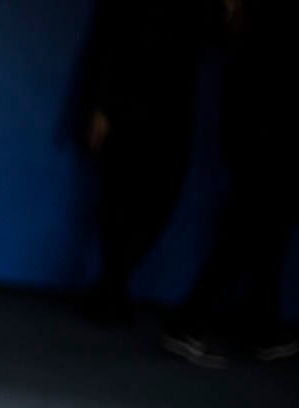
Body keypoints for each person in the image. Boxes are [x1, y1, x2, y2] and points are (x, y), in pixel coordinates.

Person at [160, 0, 298, 367]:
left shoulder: (257, 23)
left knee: (268, 237)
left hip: (259, 138)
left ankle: (263, 330)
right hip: (266, 142)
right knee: (248, 234)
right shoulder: (267, 23)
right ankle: (187, 325)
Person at [75, 0, 225, 323]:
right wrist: (99, 106)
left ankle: (111, 285)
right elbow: (108, 40)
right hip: (128, 102)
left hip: (174, 109)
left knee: (161, 199)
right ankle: (112, 289)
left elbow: (218, 37)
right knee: (119, 197)